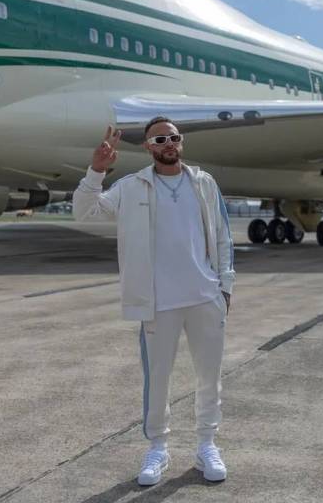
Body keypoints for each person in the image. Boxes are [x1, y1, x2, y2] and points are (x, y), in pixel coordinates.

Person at [72, 117, 235, 485]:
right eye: (160, 139)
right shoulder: (131, 187)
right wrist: (96, 172)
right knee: (157, 381)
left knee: (210, 378)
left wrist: (225, 287)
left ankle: (207, 445)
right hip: (158, 303)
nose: (168, 143)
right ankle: (158, 448)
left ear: (181, 142)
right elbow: (86, 210)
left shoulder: (204, 183)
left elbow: (223, 237)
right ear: (147, 146)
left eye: (174, 137)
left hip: (205, 298)